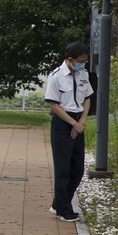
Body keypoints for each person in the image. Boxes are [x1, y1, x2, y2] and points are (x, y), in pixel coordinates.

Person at [44, 41, 93, 223]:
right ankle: (64, 209)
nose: (83, 64)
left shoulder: (83, 74)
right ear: (70, 60)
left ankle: (59, 202)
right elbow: (53, 105)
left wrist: (80, 122)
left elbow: (87, 98)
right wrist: (72, 123)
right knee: (63, 168)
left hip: (78, 122)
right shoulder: (56, 76)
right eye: (80, 61)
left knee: (78, 168)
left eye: (85, 61)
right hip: (63, 123)